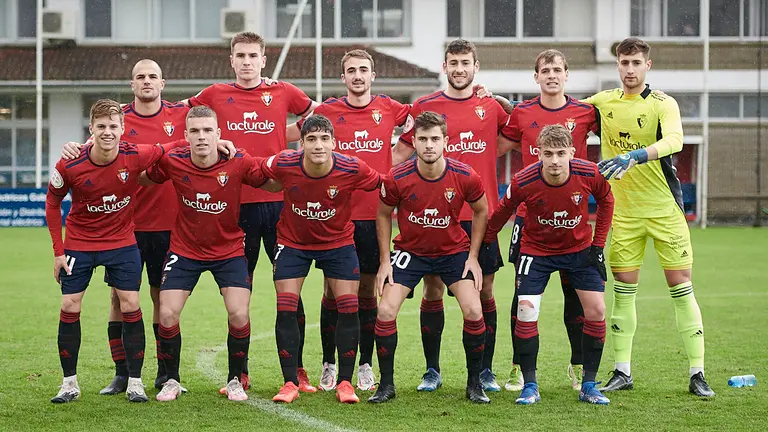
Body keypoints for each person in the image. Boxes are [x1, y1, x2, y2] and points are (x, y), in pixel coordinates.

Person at [184, 32, 319, 391]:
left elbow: (316, 116)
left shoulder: (283, 91)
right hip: (235, 209)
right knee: (238, 295)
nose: (246, 61)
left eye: (252, 55)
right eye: (240, 55)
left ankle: (298, 371)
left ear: (263, 59)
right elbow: (176, 115)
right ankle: (237, 374)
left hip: (279, 206)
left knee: (289, 292)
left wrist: (288, 134)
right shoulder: (214, 94)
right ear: (232, 60)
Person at [583, 37, 714, 397]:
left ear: (647, 66)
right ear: (618, 66)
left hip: (664, 213)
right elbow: (559, 110)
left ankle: (697, 373)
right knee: (623, 295)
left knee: (681, 289)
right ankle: (622, 370)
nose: (629, 69)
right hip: (623, 215)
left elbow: (675, 140)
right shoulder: (603, 101)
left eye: (636, 63)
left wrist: (635, 156)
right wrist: (505, 102)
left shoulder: (662, 104)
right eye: (624, 63)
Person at [45, 99, 192, 404]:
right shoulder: (70, 163)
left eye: (113, 126)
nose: (108, 132)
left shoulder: (135, 155)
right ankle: (69, 383)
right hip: (80, 243)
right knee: (70, 305)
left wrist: (219, 140)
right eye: (101, 126)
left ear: (123, 129)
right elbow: (52, 202)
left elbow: (170, 145)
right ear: (91, 129)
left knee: (130, 303)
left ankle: (134, 382)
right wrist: (58, 253)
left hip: (122, 243)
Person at [392, 38, 512, 393]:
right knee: (432, 288)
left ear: (476, 67)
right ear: (444, 67)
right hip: (432, 217)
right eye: (453, 63)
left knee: (484, 290)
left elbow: (516, 134)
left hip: (479, 216)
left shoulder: (490, 107)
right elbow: (398, 155)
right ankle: (432, 370)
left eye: (465, 63)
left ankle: (485, 370)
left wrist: (502, 100)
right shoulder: (426, 106)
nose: (459, 69)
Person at [286, 49, 411, 391]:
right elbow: (294, 136)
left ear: (373, 75)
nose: (358, 75)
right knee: (332, 292)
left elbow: (426, 120)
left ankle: (365, 365)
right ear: (343, 77)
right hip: (335, 215)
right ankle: (329, 363)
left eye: (363, 70)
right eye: (351, 71)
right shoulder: (326, 111)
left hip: (374, 217)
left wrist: (395, 157)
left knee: (368, 293)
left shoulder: (389, 108)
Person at [141, 106, 278, 402]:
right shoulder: (173, 161)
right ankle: (171, 380)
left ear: (218, 135)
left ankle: (235, 380)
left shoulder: (238, 161)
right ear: (185, 136)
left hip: (228, 250)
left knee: (239, 313)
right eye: (195, 131)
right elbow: (141, 176)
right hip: (185, 249)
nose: (201, 137)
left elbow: (270, 178)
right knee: (166, 312)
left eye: (207, 131)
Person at [485, 124, 614, 405]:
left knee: (597, 310)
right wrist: (484, 242)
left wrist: (599, 245)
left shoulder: (589, 173)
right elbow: (501, 213)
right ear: (538, 154)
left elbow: (607, 200)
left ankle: (589, 385)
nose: (554, 160)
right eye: (547, 153)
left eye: (559, 153)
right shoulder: (524, 180)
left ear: (571, 152)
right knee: (526, 311)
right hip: (537, 251)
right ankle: (530, 385)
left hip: (580, 251)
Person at [369, 111, 489, 404]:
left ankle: (475, 384)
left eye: (435, 139)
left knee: (474, 310)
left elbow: (482, 211)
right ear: (414, 142)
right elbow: (383, 214)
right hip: (411, 253)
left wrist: (472, 257)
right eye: (422, 139)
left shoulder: (464, 175)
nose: (429, 145)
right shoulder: (397, 177)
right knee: (385, 311)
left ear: (446, 141)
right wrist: (385, 261)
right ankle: (386, 385)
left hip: (452, 253)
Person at [498, 49, 600, 392]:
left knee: (575, 296)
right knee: (522, 295)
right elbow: (492, 144)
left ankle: (579, 364)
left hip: (572, 221)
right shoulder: (523, 112)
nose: (552, 75)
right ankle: (518, 367)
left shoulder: (586, 112)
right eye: (546, 70)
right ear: (537, 76)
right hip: (529, 220)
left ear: (566, 75)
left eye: (557, 69)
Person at [263, 115, 382, 404]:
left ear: (334, 142)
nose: (318, 145)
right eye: (312, 139)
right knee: (286, 306)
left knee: (349, 307)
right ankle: (290, 382)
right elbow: (253, 170)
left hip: (338, 243)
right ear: (301, 143)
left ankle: (345, 382)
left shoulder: (352, 167)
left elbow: (385, 185)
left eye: (324, 138)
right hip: (293, 243)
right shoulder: (284, 162)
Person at [94, 59, 190, 395]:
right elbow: (92, 151)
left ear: (163, 83)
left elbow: (216, 117)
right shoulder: (117, 119)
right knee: (120, 300)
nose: (146, 81)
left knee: (162, 300)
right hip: (126, 227)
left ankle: (166, 374)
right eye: (140, 77)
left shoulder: (181, 115)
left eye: (152, 76)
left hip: (170, 225)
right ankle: (123, 374)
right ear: (131, 84)